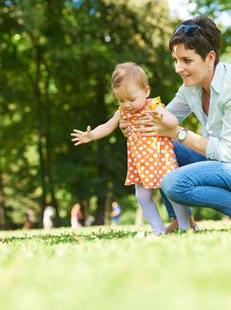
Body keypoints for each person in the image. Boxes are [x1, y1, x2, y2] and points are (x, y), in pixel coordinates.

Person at [122, 16, 231, 229]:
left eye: (186, 61)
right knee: (159, 140)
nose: (178, 68)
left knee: (174, 183)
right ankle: (183, 221)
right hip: (227, 166)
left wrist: (178, 132)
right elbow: (161, 120)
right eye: (176, 60)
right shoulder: (192, 87)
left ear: (210, 58)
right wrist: (135, 126)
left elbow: (228, 154)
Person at [71, 62, 191, 235]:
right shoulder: (123, 112)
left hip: (160, 158)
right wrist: (91, 136)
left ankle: (185, 226)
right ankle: (158, 229)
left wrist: (162, 118)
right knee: (142, 197)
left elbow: (173, 122)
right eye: (121, 100)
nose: (126, 104)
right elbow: (107, 126)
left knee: (172, 193)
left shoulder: (153, 106)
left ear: (146, 91)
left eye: (131, 99)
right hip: (140, 163)